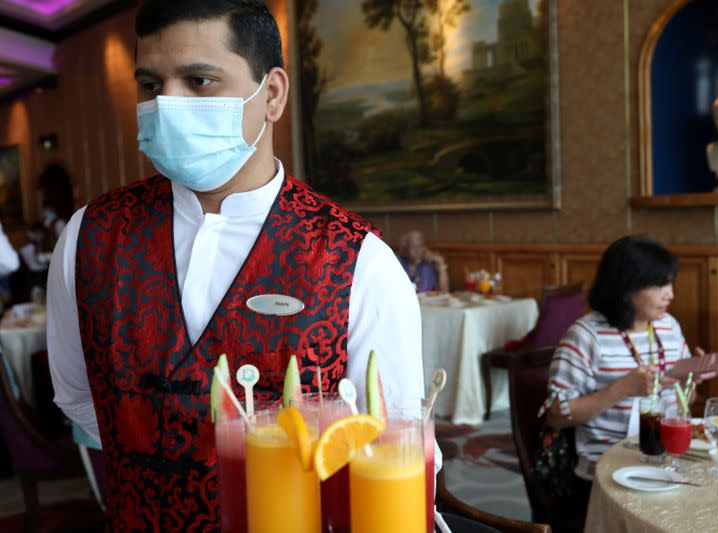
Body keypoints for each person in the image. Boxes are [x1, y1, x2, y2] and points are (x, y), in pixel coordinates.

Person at [47, 1, 434, 530]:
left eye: (199, 80)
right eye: (151, 85)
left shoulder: (358, 260)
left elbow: (394, 451)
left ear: (271, 94)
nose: (168, 104)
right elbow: (77, 395)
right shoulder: (88, 237)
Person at [540, 236, 705, 530]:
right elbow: (556, 415)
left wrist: (690, 381)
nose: (670, 294)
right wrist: (622, 389)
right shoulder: (585, 335)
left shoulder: (668, 326)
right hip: (605, 468)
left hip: (665, 459)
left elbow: (684, 403)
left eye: (670, 283)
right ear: (626, 287)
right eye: (659, 285)